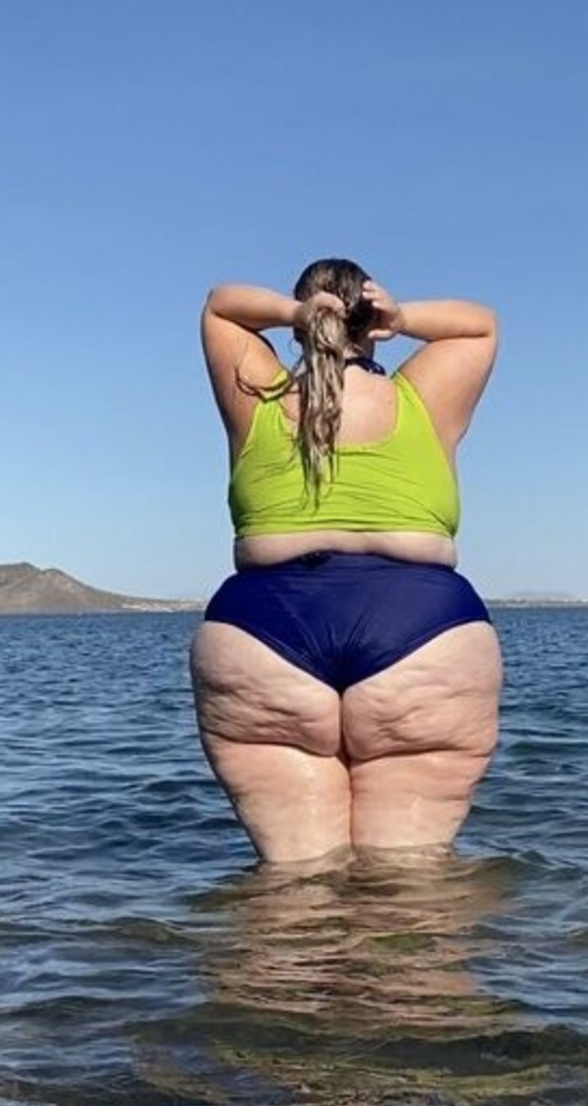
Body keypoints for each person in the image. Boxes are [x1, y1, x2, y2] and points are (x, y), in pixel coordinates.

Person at [190, 258, 502, 867]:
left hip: (264, 626)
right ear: (372, 322)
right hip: (421, 624)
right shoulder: (421, 398)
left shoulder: (259, 395)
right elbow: (480, 325)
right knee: (411, 887)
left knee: (293, 884)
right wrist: (405, 318)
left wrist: (294, 313)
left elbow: (220, 305)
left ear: (298, 329)